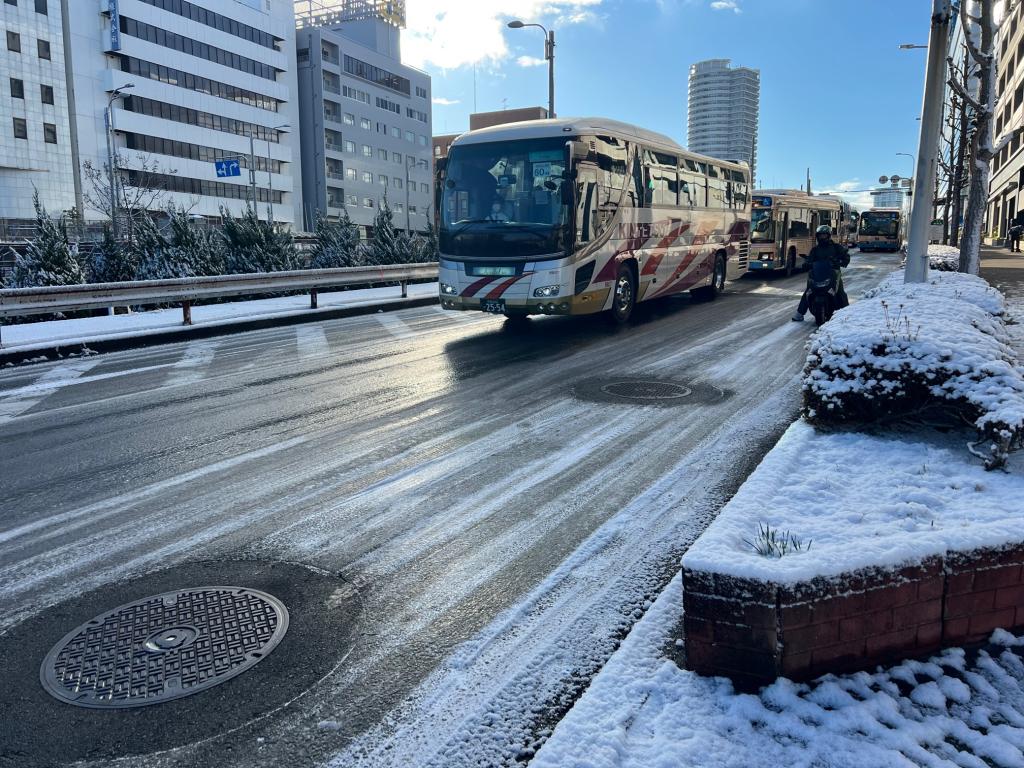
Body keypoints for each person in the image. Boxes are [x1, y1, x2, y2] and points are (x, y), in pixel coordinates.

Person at [792, 225, 850, 321]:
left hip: (833, 273)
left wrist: (841, 261)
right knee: (809, 291)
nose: (822, 237)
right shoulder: (815, 250)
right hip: (818, 274)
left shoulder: (836, 247)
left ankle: (846, 314)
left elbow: (845, 256)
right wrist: (806, 264)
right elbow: (809, 259)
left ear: (828, 236)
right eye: (820, 235)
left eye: (824, 235)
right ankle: (799, 313)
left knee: (840, 292)